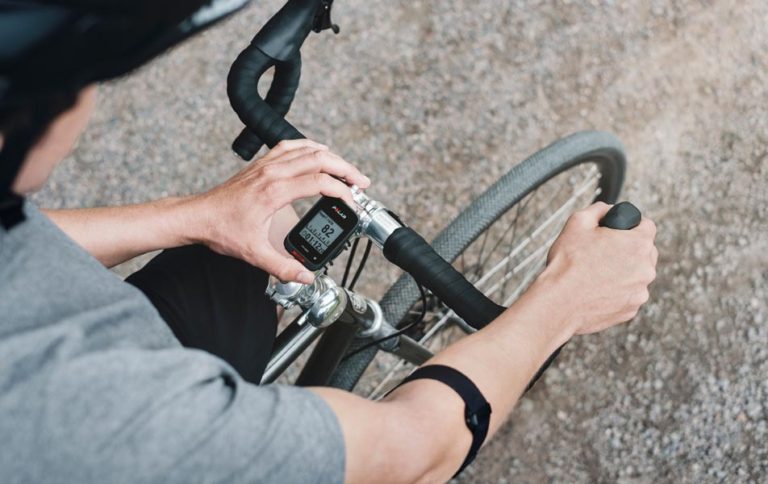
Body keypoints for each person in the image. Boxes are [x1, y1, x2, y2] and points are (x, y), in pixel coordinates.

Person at [0, 1, 658, 483]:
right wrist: (562, 303)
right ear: (41, 109)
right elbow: (416, 452)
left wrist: (193, 215)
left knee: (247, 241)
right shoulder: (133, 426)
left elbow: (22, 240)